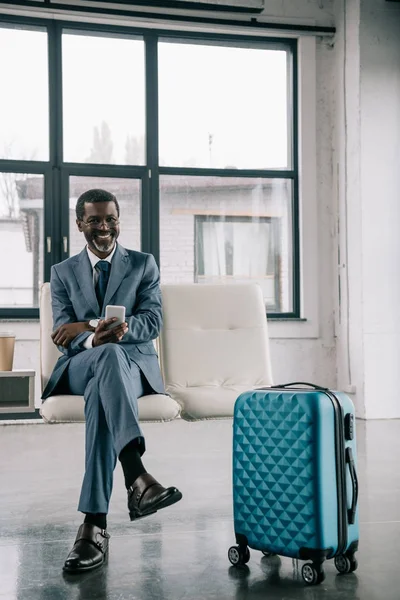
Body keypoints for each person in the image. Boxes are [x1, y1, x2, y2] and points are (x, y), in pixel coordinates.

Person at [42, 188, 182, 574]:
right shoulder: (62, 273)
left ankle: (94, 525)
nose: (104, 228)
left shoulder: (142, 265)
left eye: (111, 219)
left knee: (107, 373)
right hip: (80, 364)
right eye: (94, 221)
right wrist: (91, 332)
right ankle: (136, 475)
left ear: (119, 220)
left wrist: (111, 331)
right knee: (102, 356)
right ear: (79, 224)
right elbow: (62, 335)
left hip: (130, 366)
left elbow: (152, 322)